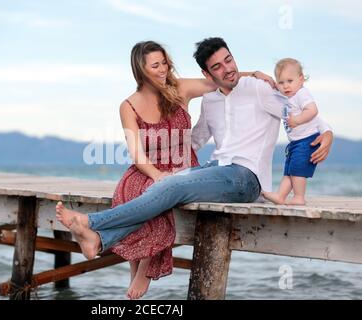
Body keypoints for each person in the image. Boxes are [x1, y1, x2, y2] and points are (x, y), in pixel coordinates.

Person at [55, 38, 333, 292]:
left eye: (229, 60)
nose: (227, 68)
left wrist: (327, 133)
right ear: (207, 74)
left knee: (170, 184)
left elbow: (297, 112)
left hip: (246, 177)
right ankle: (99, 239)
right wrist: (170, 165)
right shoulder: (210, 100)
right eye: (217, 66)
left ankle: (91, 223)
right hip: (215, 169)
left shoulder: (259, 89)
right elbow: (197, 138)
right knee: (162, 183)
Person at [263, 58, 322, 205]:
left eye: (290, 81)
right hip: (296, 142)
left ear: (301, 79)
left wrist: (297, 120)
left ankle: (299, 197)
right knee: (289, 170)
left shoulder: (302, 94)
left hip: (307, 139)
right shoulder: (287, 97)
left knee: (297, 170)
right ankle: (280, 196)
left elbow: (313, 110)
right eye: (281, 82)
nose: (286, 86)